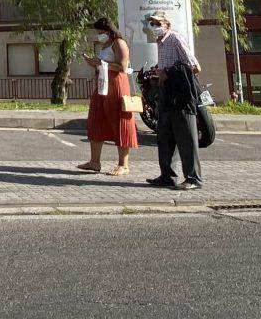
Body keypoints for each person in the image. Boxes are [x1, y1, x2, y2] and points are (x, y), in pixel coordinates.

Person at [142, 10, 203, 191]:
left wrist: (167, 73)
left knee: (185, 136)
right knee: (165, 135)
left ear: (167, 25)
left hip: (180, 95)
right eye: (152, 23)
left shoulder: (175, 39)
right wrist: (157, 72)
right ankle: (167, 175)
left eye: (157, 23)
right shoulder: (160, 42)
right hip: (165, 93)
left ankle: (193, 178)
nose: (154, 26)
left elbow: (194, 66)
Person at [77, 18, 137, 175]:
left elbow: (123, 66)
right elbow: (103, 63)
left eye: (101, 32)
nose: (99, 35)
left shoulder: (119, 43)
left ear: (109, 30)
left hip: (116, 84)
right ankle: (94, 162)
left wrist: (102, 62)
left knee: (119, 120)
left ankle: (123, 164)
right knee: (96, 119)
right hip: (102, 84)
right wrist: (94, 63)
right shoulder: (105, 44)